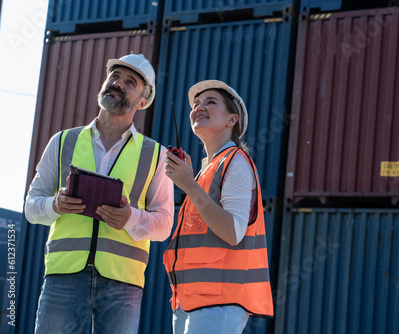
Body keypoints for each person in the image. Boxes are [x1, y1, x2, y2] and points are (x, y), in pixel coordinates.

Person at [24, 53, 175, 334]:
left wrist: (130, 217)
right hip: (63, 276)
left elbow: (165, 224)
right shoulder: (62, 141)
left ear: (143, 102)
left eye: (130, 82)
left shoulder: (156, 155)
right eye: (114, 76)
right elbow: (31, 207)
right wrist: (56, 204)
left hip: (123, 284)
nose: (118, 83)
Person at [163, 80, 274, 333]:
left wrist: (189, 186)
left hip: (219, 301)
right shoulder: (205, 171)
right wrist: (191, 182)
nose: (199, 107)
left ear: (231, 120)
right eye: (196, 104)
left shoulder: (236, 162)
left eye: (211, 102)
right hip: (191, 301)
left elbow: (234, 232)